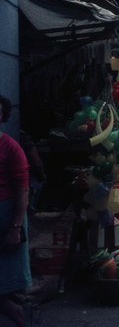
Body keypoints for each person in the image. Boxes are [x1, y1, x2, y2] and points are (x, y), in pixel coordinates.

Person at [0, 95, 32, 326]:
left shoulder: (11, 147)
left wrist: (15, 226)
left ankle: (16, 314)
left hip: (7, 215)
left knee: (5, 276)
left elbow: (23, 188)